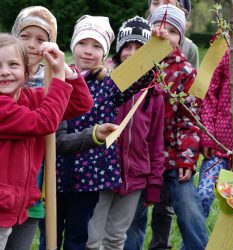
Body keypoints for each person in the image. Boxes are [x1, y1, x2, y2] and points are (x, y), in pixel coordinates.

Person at [55, 15, 154, 249]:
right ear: (72, 45)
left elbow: (142, 75)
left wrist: (152, 49)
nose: (88, 51)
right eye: (83, 43)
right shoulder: (57, 78)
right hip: (55, 175)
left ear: (106, 52)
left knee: (78, 238)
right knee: (49, 235)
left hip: (89, 178)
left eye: (97, 46)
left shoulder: (109, 84)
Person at [0, 32, 93, 250]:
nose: (4, 71)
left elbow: (80, 103)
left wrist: (66, 70)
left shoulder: (29, 98)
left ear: (26, 70)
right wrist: (58, 77)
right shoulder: (2, 107)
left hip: (16, 207)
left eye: (12, 64)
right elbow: (44, 122)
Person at [125, 1, 200, 249]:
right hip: (137, 157)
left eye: (172, 30)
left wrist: (187, 159)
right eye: (158, 27)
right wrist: (147, 51)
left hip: (173, 157)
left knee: (188, 208)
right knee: (132, 218)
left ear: (181, 37)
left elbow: (190, 121)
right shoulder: (139, 64)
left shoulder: (187, 72)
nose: (164, 34)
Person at [86, 16, 165, 250]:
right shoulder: (104, 84)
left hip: (135, 176)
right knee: (92, 239)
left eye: (140, 48)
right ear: (119, 50)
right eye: (127, 47)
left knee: (116, 238)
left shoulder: (154, 95)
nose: (132, 53)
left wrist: (154, 183)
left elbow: (156, 141)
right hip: (101, 173)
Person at [197, 0, 233, 219]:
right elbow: (207, 91)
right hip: (219, 144)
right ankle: (194, 244)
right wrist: (207, 135)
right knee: (203, 196)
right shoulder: (226, 45)